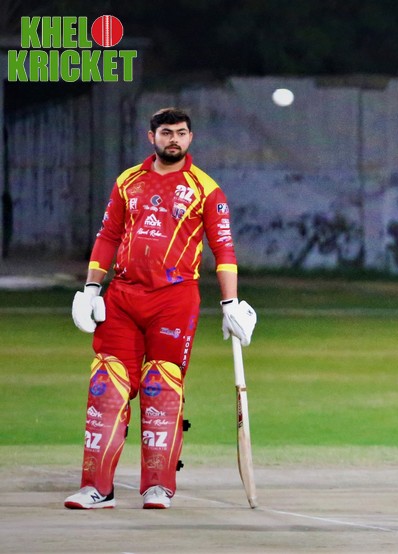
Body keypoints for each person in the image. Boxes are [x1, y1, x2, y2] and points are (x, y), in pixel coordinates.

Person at [65, 107, 258, 510]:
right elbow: (108, 235)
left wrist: (230, 303)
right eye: (166, 133)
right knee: (106, 387)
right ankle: (96, 488)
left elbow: (224, 249)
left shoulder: (206, 189)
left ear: (190, 138)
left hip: (174, 301)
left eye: (181, 133)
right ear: (150, 137)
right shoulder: (128, 181)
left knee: (161, 388)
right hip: (122, 297)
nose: (174, 139)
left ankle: (158, 486)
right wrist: (91, 288)